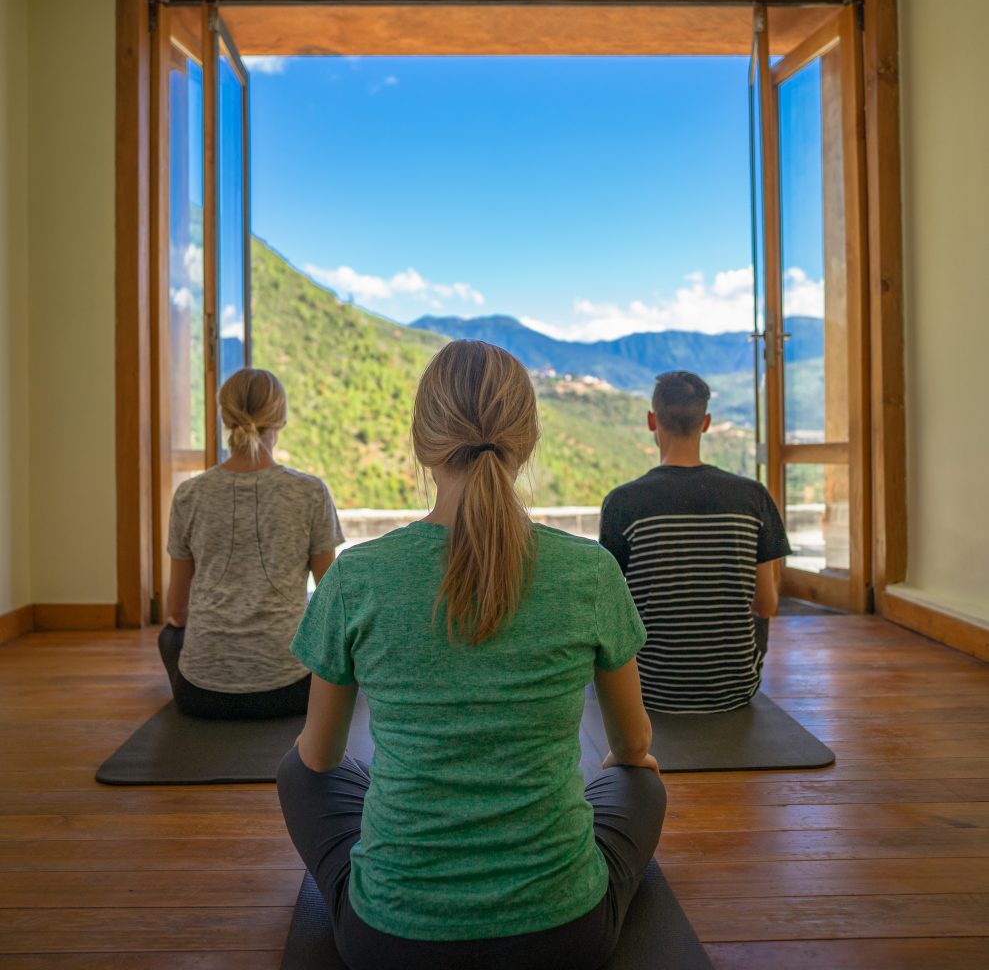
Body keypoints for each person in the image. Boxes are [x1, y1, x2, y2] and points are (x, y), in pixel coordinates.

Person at [277, 341, 666, 970]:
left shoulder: (356, 578)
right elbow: (631, 744)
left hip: (388, 942)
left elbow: (319, 756)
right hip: (567, 933)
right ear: (528, 440)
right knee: (639, 783)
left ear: (423, 442)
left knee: (297, 772)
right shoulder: (589, 572)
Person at [599, 370, 790, 714]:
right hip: (734, 690)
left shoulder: (622, 502)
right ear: (706, 422)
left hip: (648, 689)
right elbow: (767, 605)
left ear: (651, 420)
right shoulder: (753, 497)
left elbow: (609, 609)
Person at [161, 367, 344, 719]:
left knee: (169, 637)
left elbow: (177, 611)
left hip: (200, 693)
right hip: (292, 688)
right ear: (281, 418)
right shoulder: (310, 492)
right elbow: (330, 600)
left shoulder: (189, 495)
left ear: (225, 418)